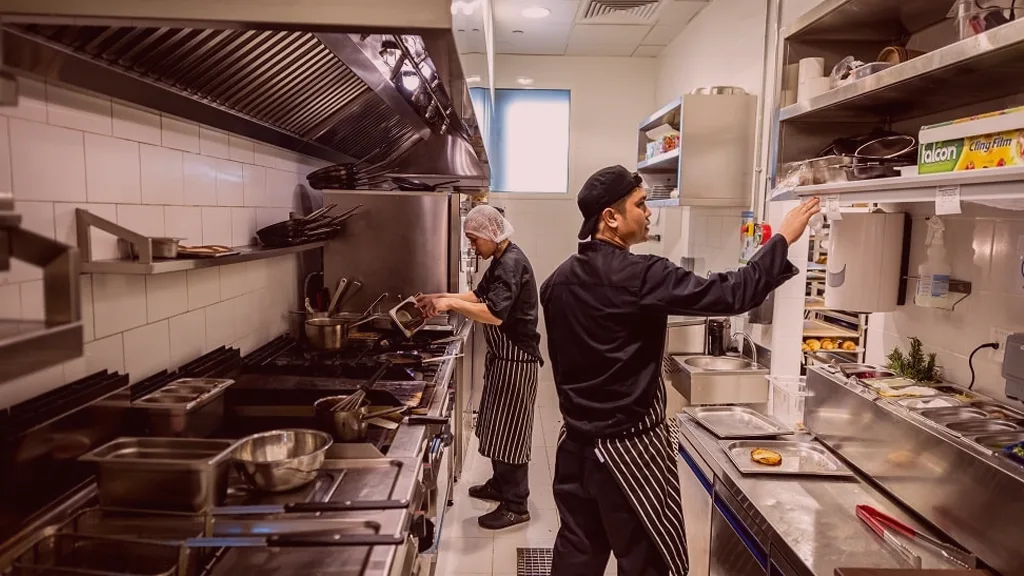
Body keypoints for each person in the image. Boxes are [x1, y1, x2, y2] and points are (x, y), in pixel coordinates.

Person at [540, 166, 820, 575]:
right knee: (648, 562)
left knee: (576, 558)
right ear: (610, 218)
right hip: (629, 454)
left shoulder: (557, 282)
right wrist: (782, 239)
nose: (649, 213)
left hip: (575, 449)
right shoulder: (643, 275)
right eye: (641, 203)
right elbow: (730, 294)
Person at [417, 204, 543, 530]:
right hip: (504, 359)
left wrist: (449, 304)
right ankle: (501, 486)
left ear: (490, 234)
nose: (473, 246)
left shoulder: (511, 264)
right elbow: (478, 294)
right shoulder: (502, 259)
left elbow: (494, 314)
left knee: (512, 431)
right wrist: (439, 295)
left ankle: (517, 504)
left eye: (474, 240)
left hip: (517, 360)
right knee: (499, 425)